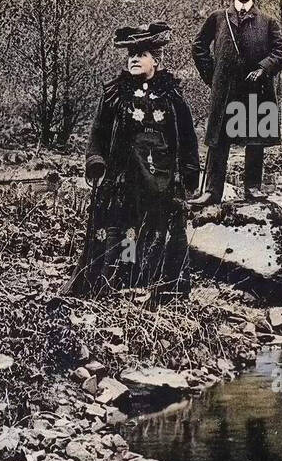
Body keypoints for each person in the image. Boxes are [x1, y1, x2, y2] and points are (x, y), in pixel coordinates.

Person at [67, 22, 200, 304]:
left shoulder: (171, 95)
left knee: (161, 231)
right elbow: (98, 132)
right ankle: (119, 282)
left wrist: (189, 173)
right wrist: (95, 160)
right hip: (124, 177)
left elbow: (188, 137)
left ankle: (162, 287)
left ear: (156, 60)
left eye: (141, 54)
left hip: (162, 178)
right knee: (123, 230)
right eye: (131, 55)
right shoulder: (115, 93)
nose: (135, 59)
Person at [188, 0, 282, 205]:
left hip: (256, 89)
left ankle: (253, 188)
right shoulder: (217, 18)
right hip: (225, 91)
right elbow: (198, 47)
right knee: (218, 140)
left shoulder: (268, 22)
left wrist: (264, 68)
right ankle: (212, 191)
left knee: (255, 140)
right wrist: (212, 76)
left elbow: (281, 53)